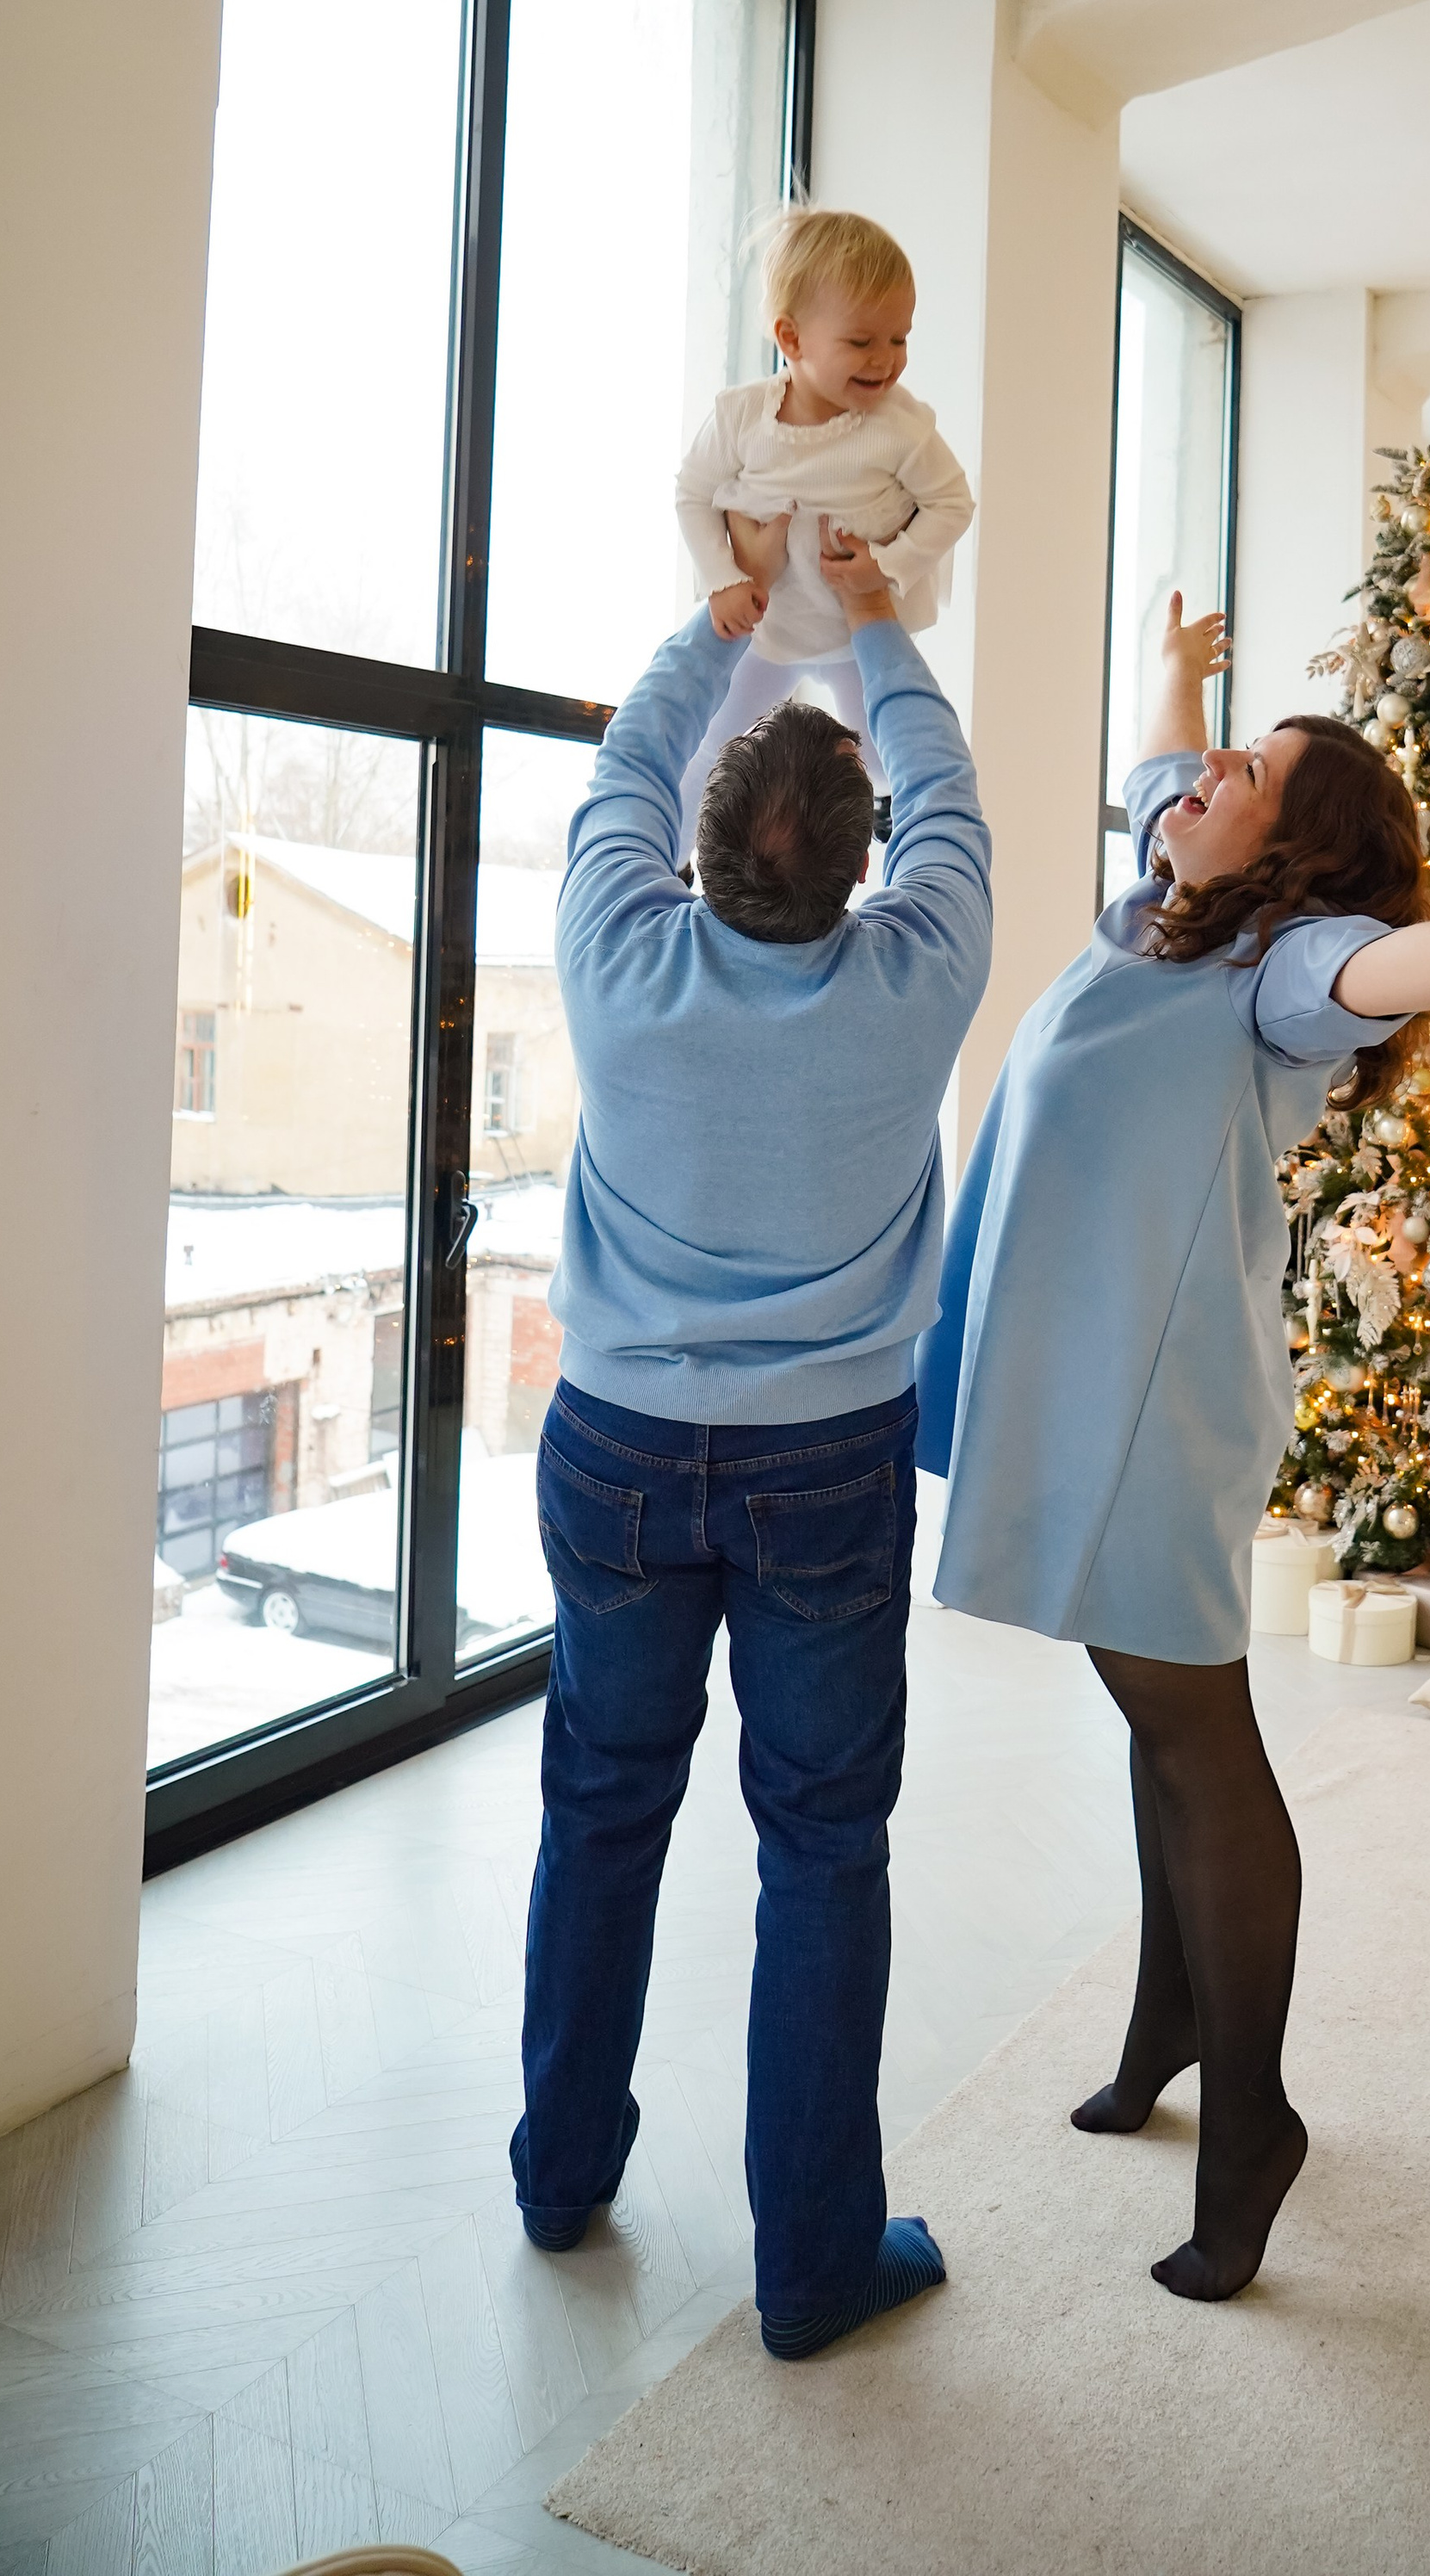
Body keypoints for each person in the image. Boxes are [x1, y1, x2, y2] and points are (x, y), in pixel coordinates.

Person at [919, 594, 1430, 2305]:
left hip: (1150, 1409)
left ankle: (1253, 2126)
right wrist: (1178, 678)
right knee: (1142, 1707)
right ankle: (1165, 2015)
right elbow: (1169, 769)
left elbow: (1378, 967)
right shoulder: (1166, 897)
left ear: (1283, 859)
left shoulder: (1272, 973)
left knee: (1197, 1735)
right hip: (1087, 1387)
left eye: (1244, 772)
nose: (1199, 773)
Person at [511, 521, 991, 2364]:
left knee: (599, 1808)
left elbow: (629, 763)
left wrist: (728, 625)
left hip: (617, 1448)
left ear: (698, 864)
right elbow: (944, 794)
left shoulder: (616, 953)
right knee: (820, 1849)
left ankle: (560, 2175)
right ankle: (810, 2267)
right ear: (865, 873)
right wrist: (869, 631)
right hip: (821, 1473)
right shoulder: (913, 981)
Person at [672, 207, 974, 861]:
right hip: (767, 627)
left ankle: (893, 863)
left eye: (900, 339)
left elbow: (953, 503)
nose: (887, 361)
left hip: (853, 634)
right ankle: (674, 866)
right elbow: (692, 493)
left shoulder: (900, 427)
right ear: (792, 338)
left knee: (887, 757)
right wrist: (724, 581)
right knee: (715, 748)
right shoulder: (743, 417)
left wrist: (887, 568)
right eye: (863, 342)